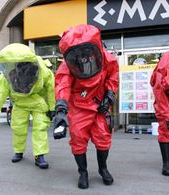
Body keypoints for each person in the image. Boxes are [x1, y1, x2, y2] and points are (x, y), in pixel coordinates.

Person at [53, 24, 119, 189]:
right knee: (78, 139)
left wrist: (109, 95)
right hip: (79, 106)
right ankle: (83, 172)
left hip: (100, 104)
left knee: (103, 138)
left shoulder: (107, 59)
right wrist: (61, 109)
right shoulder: (67, 65)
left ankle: (103, 169)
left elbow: (113, 77)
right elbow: (63, 85)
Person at [0, 43, 55, 169]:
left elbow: (51, 89)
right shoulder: (9, 75)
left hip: (37, 102)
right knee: (18, 128)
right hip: (20, 103)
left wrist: (52, 107)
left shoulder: (42, 70)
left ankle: (39, 155)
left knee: (40, 128)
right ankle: (18, 151)